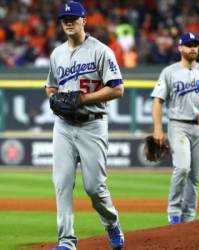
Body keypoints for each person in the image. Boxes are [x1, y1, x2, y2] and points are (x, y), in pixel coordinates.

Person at [45, 1, 124, 249]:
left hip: (92, 124)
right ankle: (66, 240)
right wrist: (53, 98)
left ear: (84, 21)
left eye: (73, 18)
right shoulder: (56, 54)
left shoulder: (101, 51)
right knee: (62, 182)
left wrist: (83, 99)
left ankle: (111, 222)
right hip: (63, 127)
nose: (68, 22)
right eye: (64, 19)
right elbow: (51, 86)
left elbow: (118, 88)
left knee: (94, 188)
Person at [151, 32, 199, 224]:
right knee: (182, 168)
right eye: (188, 45)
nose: (193, 48)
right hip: (178, 125)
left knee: (195, 176)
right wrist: (157, 129)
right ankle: (174, 213)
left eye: (195, 45)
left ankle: (189, 219)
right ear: (180, 48)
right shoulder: (169, 72)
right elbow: (157, 101)